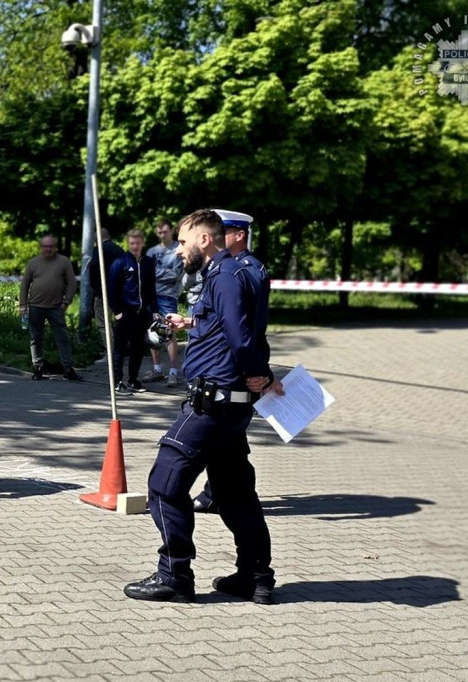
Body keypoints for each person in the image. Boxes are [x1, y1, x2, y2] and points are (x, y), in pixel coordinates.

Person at [123, 208, 283, 605]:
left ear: (205, 240)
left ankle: (174, 576)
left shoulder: (226, 275)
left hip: (213, 404)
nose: (178, 251)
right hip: (229, 406)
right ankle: (255, 577)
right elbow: (226, 325)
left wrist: (259, 374)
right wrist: (190, 324)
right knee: (235, 492)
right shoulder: (226, 273)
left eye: (183, 242)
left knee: (164, 484)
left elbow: (241, 335)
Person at [193, 209, 270, 514]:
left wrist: (257, 371)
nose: (217, 237)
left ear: (240, 235)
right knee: (231, 440)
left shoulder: (246, 270)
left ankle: (220, 495)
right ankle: (224, 495)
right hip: (236, 363)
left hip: (237, 367)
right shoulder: (225, 269)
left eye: (223, 232)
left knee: (225, 436)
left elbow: (246, 326)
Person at [20, 235, 83, 382]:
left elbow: (72, 283)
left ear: (55, 247)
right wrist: (23, 304)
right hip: (35, 306)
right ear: (41, 247)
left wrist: (66, 302)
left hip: (55, 307)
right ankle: (38, 367)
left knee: (63, 338)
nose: (48, 249)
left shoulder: (64, 262)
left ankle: (68, 369)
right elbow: (25, 284)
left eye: (50, 246)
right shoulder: (33, 263)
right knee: (35, 338)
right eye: (45, 246)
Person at [108, 229, 157, 394]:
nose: (135, 246)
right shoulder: (120, 262)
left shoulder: (148, 262)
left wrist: (154, 310)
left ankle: (133, 380)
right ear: (128, 243)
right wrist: (117, 311)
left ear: (143, 243)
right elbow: (112, 289)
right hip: (125, 312)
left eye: (138, 243)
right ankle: (117, 382)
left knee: (138, 348)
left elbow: (151, 288)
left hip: (142, 313)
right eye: (132, 243)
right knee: (120, 348)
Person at [143, 218, 185, 387]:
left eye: (165, 231)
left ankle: (173, 372)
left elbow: (175, 275)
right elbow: (146, 274)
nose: (162, 234)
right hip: (151, 296)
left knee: (169, 332)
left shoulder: (178, 250)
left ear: (172, 231)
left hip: (168, 296)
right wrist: (161, 273)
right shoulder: (152, 251)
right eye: (159, 232)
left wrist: (155, 273)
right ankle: (157, 369)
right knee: (152, 331)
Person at [87, 228, 125, 345]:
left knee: (103, 322)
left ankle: (111, 350)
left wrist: (96, 289)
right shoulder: (120, 250)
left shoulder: (99, 250)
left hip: (104, 293)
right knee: (122, 321)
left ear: (96, 238)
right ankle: (124, 349)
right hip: (121, 292)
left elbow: (93, 269)